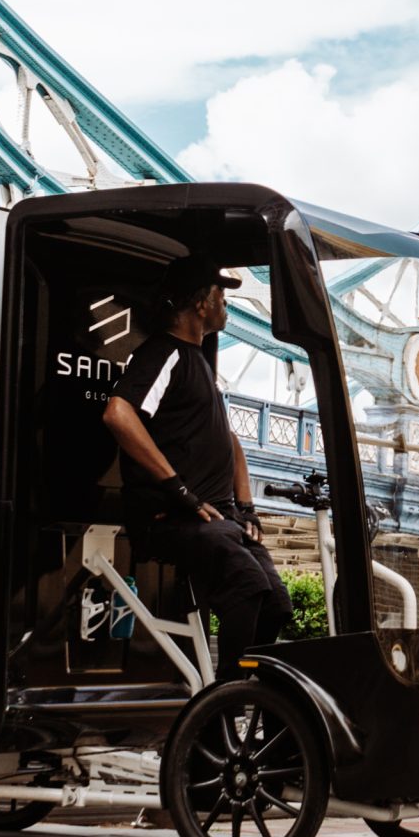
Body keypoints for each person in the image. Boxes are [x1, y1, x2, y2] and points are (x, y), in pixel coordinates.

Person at [98, 255, 287, 663]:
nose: (226, 303)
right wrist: (179, 490)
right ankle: (228, 692)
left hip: (220, 519)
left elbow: (231, 442)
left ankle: (249, 689)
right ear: (201, 303)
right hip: (172, 518)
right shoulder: (164, 353)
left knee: (277, 604)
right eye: (221, 294)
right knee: (248, 587)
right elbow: (118, 413)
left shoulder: (199, 361)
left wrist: (247, 508)